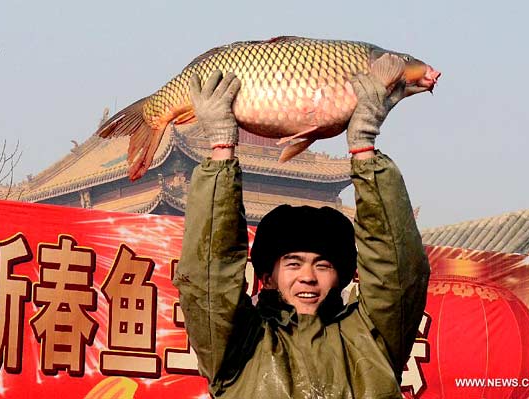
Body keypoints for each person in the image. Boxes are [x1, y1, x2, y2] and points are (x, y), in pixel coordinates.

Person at [173, 57, 431, 398]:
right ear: (266, 276)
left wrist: (364, 145)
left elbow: (398, 272)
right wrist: (221, 149)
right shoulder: (236, 347)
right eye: (293, 263)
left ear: (342, 276)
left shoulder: (371, 340)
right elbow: (209, 274)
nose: (308, 277)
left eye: (322, 265)